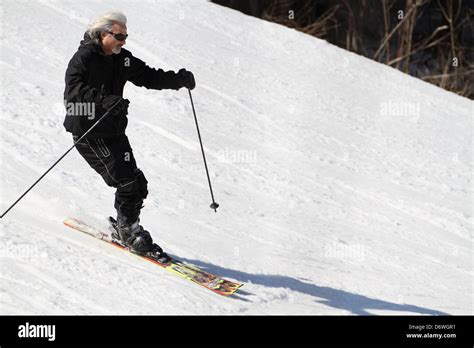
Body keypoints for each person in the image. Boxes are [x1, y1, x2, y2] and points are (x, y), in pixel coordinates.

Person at [63, 12, 195, 255]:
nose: (124, 41)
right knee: (127, 182)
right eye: (119, 36)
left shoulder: (121, 59)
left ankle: (128, 226)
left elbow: (148, 76)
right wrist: (104, 101)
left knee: (137, 182)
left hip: (113, 130)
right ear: (103, 34)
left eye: (126, 36)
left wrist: (178, 80)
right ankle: (128, 231)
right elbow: (72, 99)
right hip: (89, 133)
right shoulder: (84, 58)